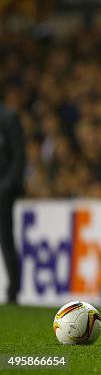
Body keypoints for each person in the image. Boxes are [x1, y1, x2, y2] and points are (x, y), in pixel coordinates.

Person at [0, 100, 25, 304]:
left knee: (5, 238)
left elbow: (19, 155)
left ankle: (13, 290)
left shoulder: (8, 117)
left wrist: (7, 185)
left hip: (2, 190)